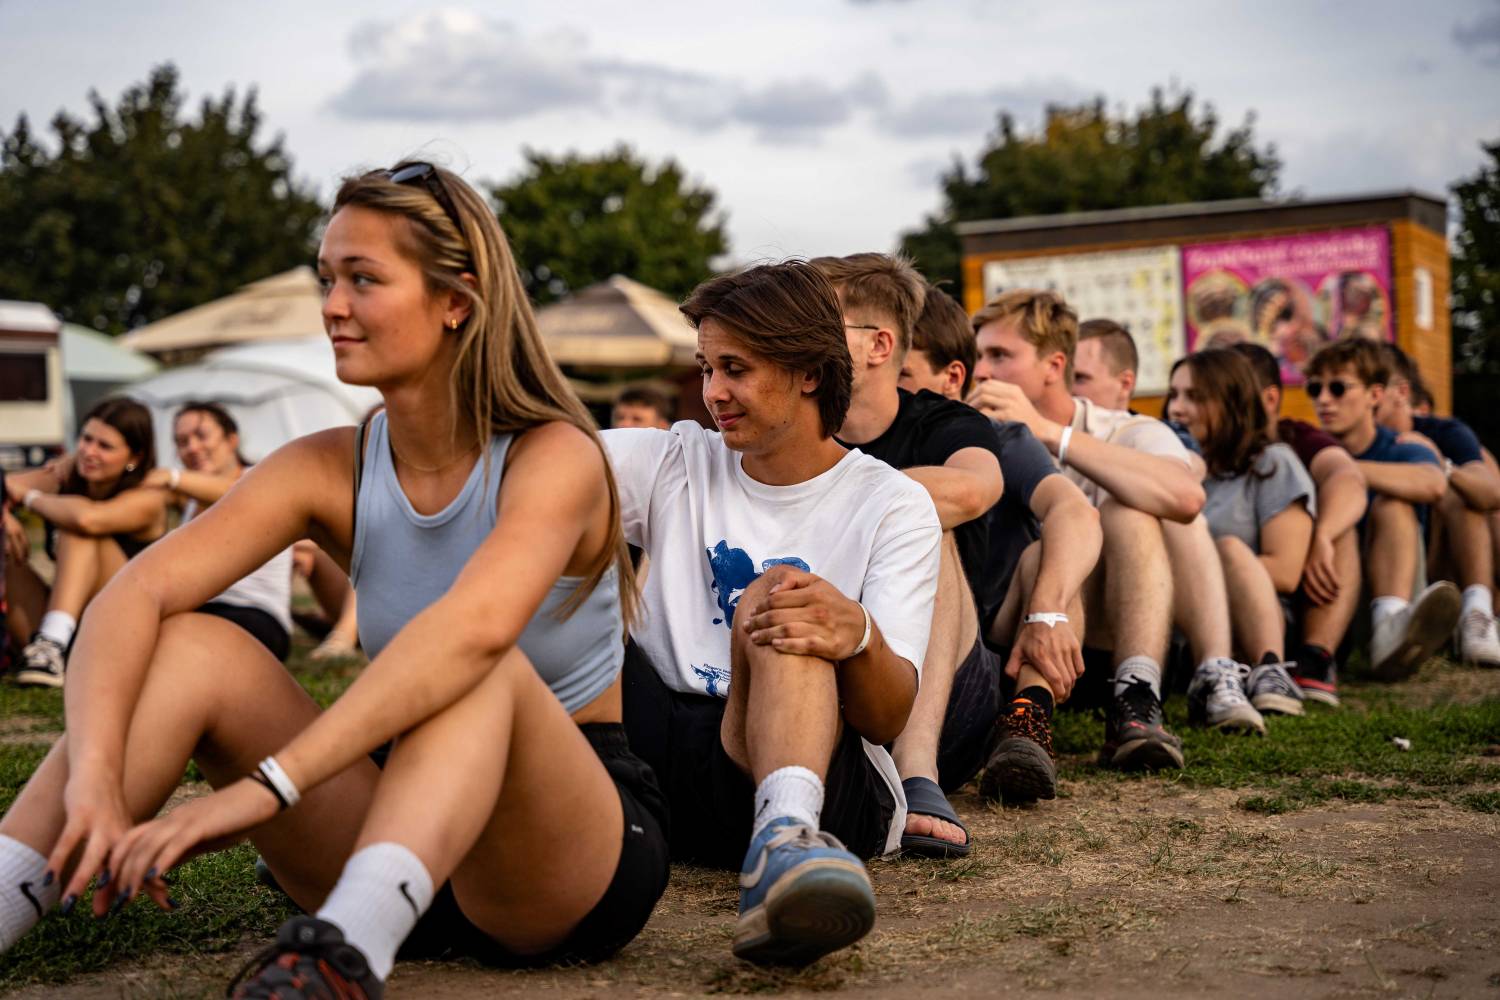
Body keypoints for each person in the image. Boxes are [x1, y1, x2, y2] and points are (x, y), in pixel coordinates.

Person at [0, 161, 669, 998]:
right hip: (395, 821)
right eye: (327, 278)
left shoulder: (554, 455)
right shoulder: (323, 466)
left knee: (473, 664)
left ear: (456, 300)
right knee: (193, 643)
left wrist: (265, 791)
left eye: (363, 279)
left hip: (559, 851)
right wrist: (98, 776)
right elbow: (132, 595)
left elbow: (473, 632)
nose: (332, 306)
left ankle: (336, 959)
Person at [607, 261, 942, 965]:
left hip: (823, 778)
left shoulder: (892, 503)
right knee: (555, 551)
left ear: (810, 372)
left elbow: (887, 719)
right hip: (658, 759)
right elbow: (532, 457)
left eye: (735, 369)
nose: (712, 392)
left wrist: (858, 637)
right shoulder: (675, 459)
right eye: (706, 368)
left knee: (786, 596)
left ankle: (785, 841)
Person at [966, 290, 1203, 771]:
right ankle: (1029, 713)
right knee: (1046, 551)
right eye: (978, 357)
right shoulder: (974, 428)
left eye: (1000, 355)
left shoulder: (1120, 428)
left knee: (1127, 510)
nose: (983, 372)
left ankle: (1137, 697)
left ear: (1054, 366)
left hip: (1100, 639)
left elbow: (1185, 497)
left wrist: (1048, 432)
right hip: (1010, 636)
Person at [895, 283, 1100, 809]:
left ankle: (1027, 718)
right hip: (905, 645)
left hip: (996, 635)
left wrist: (1047, 613)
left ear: (949, 378)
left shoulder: (994, 434)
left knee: (1050, 561)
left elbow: (1074, 511)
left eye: (902, 376)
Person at [1071, 318, 1273, 728]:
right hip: (1076, 610)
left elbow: (1187, 478)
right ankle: (1207, 671)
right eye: (1174, 394)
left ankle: (1215, 671)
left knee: (1168, 508)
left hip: (1139, 610)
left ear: (1125, 383)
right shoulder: (1041, 426)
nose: (1070, 390)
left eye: (1081, 378)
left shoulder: (1152, 433)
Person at [1166, 350, 1315, 730]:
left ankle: (1270, 671)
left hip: (1252, 619)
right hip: (1179, 627)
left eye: (1194, 397)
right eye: (1174, 394)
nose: (1177, 408)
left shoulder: (1272, 463)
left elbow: (1285, 570)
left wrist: (1198, 572)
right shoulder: (1169, 471)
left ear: (1231, 402)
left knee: (1229, 549)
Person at [1305, 338, 1459, 680]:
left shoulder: (1399, 446)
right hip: (1334, 590)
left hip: (1400, 591)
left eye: (1338, 388)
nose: (1324, 399)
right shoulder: (1310, 447)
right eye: (1315, 389)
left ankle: (1391, 625)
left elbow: (1433, 483)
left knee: (1392, 505)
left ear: (1374, 395)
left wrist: (1343, 473)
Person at [1232, 342, 1368, 706]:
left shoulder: (1294, 438)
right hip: (1248, 587)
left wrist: (1321, 535)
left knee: (1340, 529)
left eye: (1232, 391)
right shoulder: (1203, 445)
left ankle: (1315, 658)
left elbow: (1347, 479)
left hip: (1298, 588)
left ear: (1270, 399)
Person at [3, 398, 170, 687]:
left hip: (118, 632)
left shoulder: (149, 498)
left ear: (135, 457)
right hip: (64, 628)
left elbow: (87, 519)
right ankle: (44, 650)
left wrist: (27, 497)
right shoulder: (67, 476)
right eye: (86, 439)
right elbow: (5, 485)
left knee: (78, 531)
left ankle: (52, 643)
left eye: (104, 446)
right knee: (6, 555)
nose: (89, 451)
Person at [140, 401, 296, 661]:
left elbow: (238, 496)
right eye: (182, 442)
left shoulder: (260, 478)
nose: (192, 447)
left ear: (232, 440)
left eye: (201, 436)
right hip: (201, 612)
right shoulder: (190, 504)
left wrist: (172, 477)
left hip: (256, 614)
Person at [1374, 345, 1500, 666]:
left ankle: (1477, 615)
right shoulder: (1352, 441)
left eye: (1375, 386)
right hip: (1393, 567)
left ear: (1401, 392)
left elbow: (1491, 493)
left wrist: (1440, 465)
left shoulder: (1443, 432)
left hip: (1444, 560)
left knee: (1463, 492)